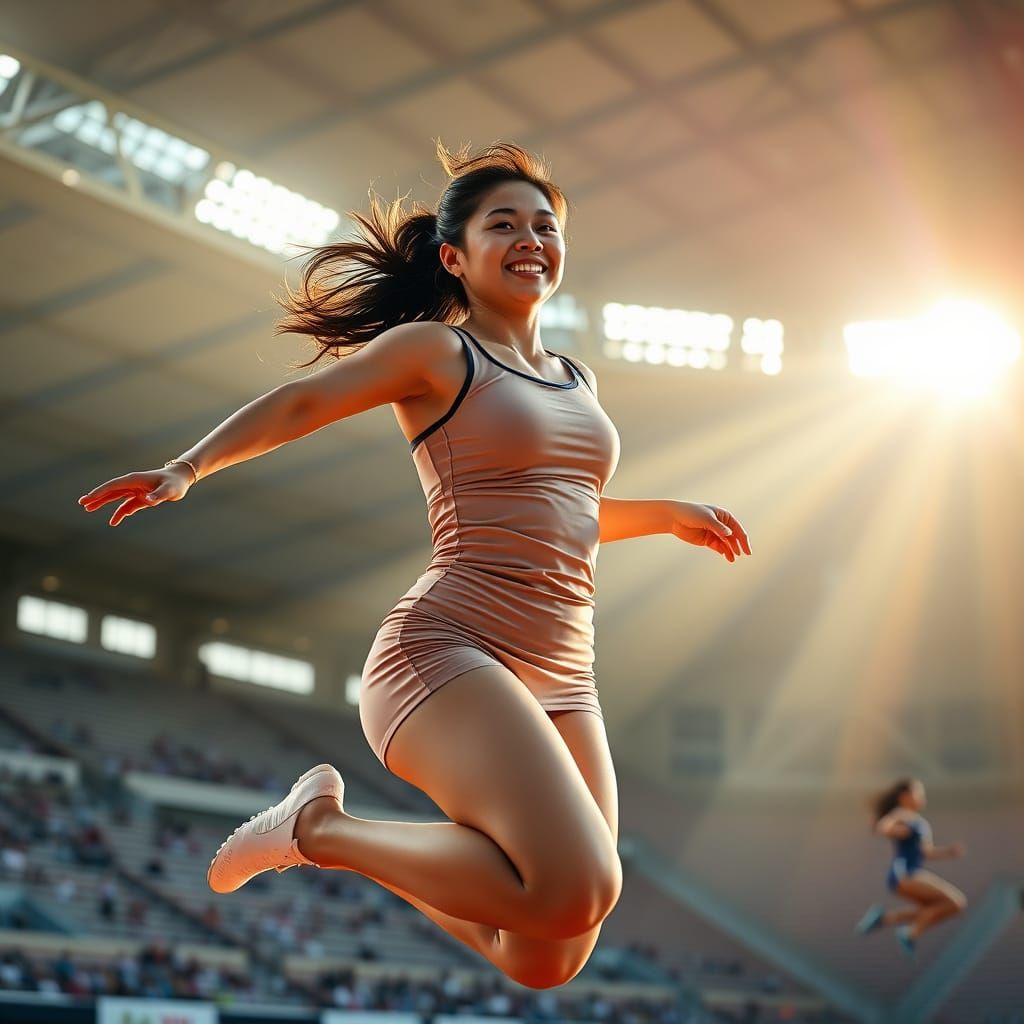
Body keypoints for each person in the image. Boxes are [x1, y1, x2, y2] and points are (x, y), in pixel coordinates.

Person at [79, 141, 751, 988]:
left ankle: (333, 837)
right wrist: (188, 467)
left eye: (545, 225)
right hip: (447, 651)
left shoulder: (576, 378)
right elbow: (304, 400)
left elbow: (561, 516)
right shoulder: (439, 353)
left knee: (548, 952)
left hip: (566, 678)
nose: (531, 238)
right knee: (581, 883)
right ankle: (317, 831)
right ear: (453, 256)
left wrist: (666, 517)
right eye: (503, 224)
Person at [855, 778, 967, 957]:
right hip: (904, 874)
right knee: (955, 902)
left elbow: (927, 852)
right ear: (905, 796)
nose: (922, 797)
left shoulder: (921, 823)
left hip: (912, 873)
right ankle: (909, 933)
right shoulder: (902, 814)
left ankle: (885, 918)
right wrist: (893, 830)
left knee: (942, 906)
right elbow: (885, 826)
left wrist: (949, 852)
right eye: (918, 793)